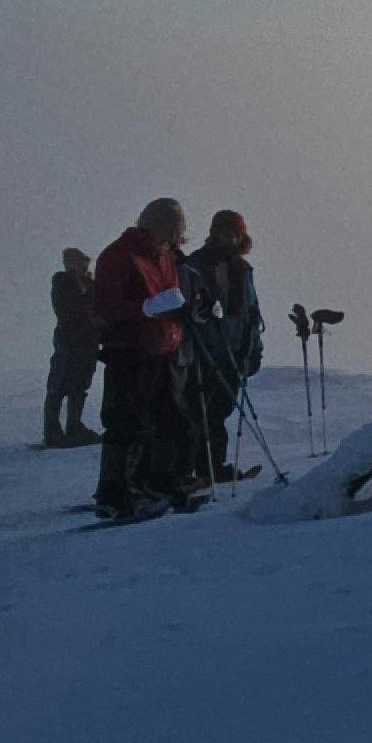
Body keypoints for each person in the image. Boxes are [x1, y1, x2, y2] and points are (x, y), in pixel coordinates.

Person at [88, 198, 201, 520]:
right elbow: (103, 309)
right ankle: (116, 494)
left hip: (163, 347)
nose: (176, 239)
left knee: (170, 418)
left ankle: (161, 484)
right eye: (174, 231)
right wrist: (145, 308)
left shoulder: (164, 256)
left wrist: (185, 312)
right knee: (126, 422)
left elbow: (170, 298)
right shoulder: (120, 256)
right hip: (128, 350)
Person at [180, 210, 268, 484]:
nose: (231, 237)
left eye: (236, 232)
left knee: (218, 412)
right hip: (205, 350)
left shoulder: (242, 269)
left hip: (234, 351)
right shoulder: (196, 265)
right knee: (198, 412)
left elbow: (251, 314)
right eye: (227, 231)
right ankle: (192, 471)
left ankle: (211, 467)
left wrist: (253, 350)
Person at [43, 247, 101, 448]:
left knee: (79, 386)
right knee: (58, 387)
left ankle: (74, 426)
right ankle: (52, 430)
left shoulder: (90, 285)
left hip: (86, 343)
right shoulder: (62, 283)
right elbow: (69, 311)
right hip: (69, 343)